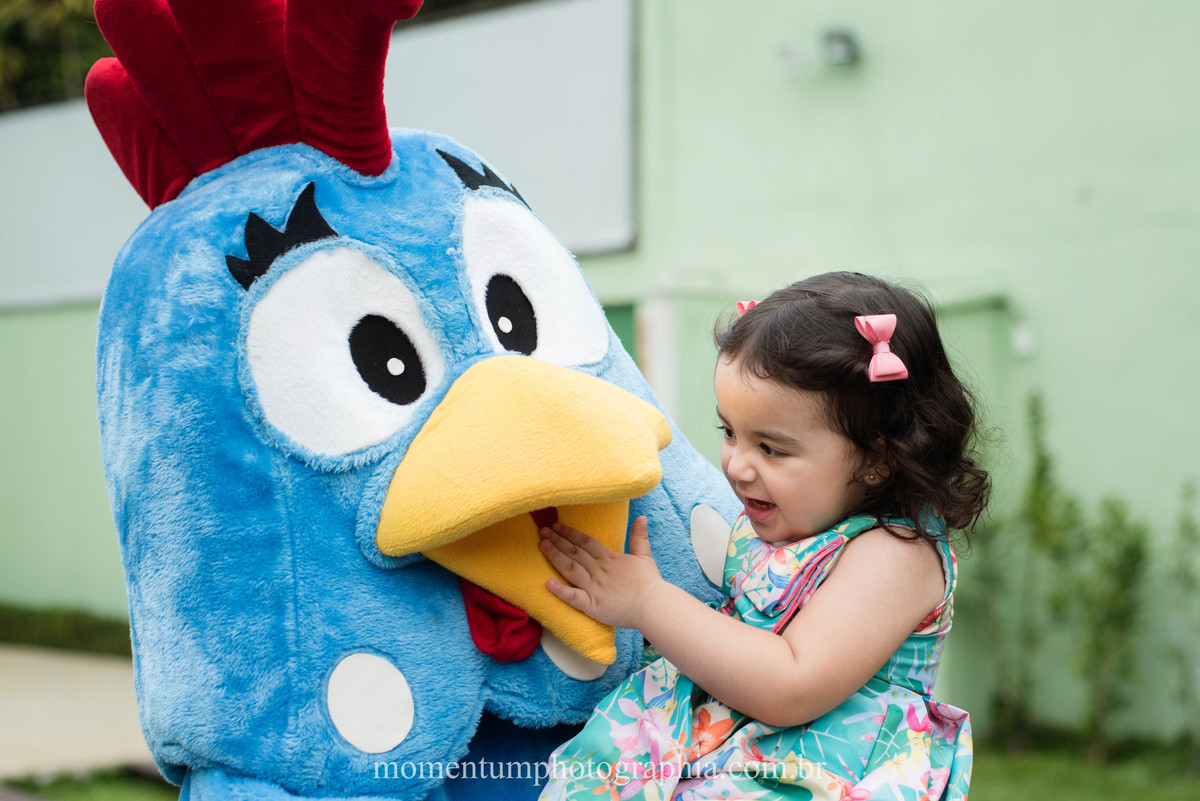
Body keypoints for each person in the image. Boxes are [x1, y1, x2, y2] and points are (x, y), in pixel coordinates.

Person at [535, 272, 989, 800]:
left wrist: (648, 602)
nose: (737, 466)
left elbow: (790, 684)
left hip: (815, 776)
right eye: (729, 432)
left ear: (876, 459)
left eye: (771, 449)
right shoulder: (782, 531)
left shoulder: (897, 553)